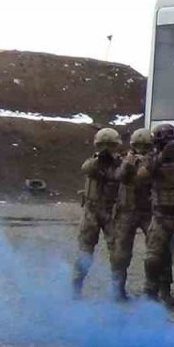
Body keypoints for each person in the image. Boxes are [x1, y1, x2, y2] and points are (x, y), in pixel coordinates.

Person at [138, 123, 174, 305]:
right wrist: (161, 158)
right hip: (159, 215)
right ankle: (151, 291)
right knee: (153, 258)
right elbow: (142, 175)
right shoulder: (152, 157)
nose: (169, 144)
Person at [72, 128, 123, 298]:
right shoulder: (93, 162)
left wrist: (117, 163)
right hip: (92, 212)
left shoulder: (121, 164)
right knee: (85, 252)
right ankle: (76, 288)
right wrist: (99, 161)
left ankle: (118, 290)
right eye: (103, 145)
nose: (107, 149)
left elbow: (124, 176)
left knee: (117, 253)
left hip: (111, 212)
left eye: (111, 145)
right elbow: (85, 168)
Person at [110, 127, 156, 301]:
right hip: (126, 211)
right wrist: (128, 163)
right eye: (139, 146)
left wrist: (147, 163)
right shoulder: (125, 159)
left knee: (156, 252)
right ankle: (117, 291)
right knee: (120, 254)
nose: (142, 149)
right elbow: (118, 176)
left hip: (148, 211)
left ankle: (154, 291)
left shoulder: (154, 160)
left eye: (146, 146)